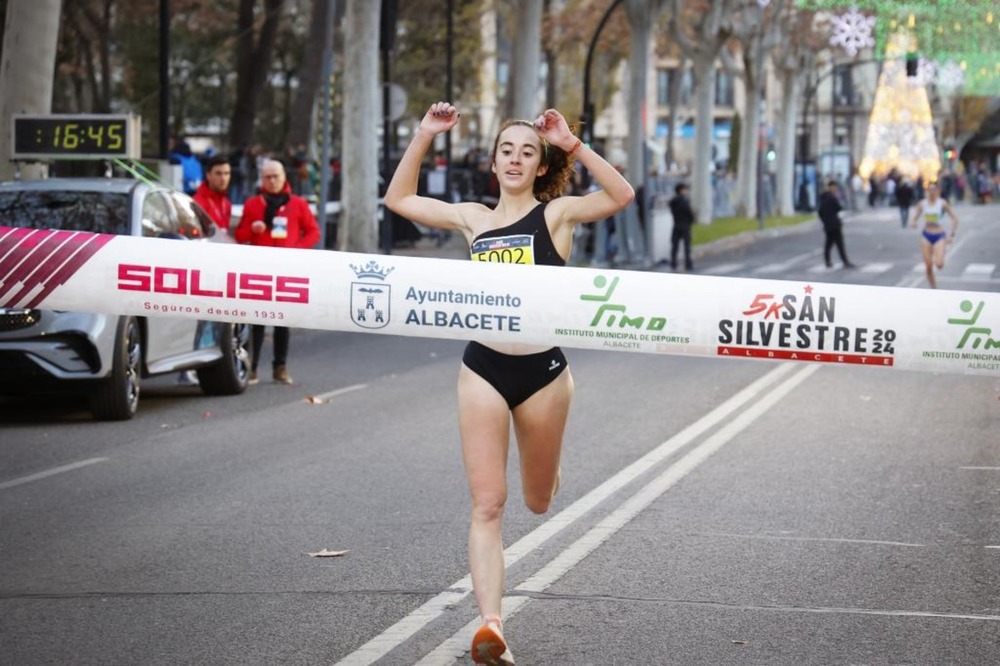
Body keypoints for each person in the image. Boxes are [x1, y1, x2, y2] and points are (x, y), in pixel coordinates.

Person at [384, 102, 633, 666]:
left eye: (528, 152)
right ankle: (491, 626)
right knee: (488, 504)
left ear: (540, 166)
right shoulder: (474, 219)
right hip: (483, 369)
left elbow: (621, 196)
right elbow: (399, 200)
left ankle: (545, 467)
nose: (516, 159)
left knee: (537, 500)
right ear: (494, 164)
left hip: (543, 375)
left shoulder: (558, 216)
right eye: (507, 151)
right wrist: (424, 134)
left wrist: (571, 143)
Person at [234, 159, 320, 384]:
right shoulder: (253, 204)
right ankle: (251, 367)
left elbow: (313, 232)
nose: (272, 181)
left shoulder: (298, 204)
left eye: (276, 177)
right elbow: (240, 235)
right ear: (262, 180)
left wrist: (296, 250)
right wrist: (252, 230)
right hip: (259, 271)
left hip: (286, 270)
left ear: (284, 178)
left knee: (282, 320)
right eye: (267, 177)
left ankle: (280, 367)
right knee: (257, 321)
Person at [909, 181, 959, 289]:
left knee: (939, 264)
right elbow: (914, 218)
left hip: (939, 235)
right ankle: (934, 289)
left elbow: (955, 219)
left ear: (938, 191)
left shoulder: (942, 203)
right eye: (929, 189)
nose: (931, 191)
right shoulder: (922, 204)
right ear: (927, 191)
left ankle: (941, 254)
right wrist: (913, 223)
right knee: (928, 266)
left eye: (934, 189)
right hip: (926, 235)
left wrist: (952, 235)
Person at [817, 180, 855, 269]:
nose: (836, 189)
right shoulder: (830, 197)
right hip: (834, 224)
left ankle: (829, 261)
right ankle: (844, 261)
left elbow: (820, 212)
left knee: (829, 244)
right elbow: (838, 208)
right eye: (834, 187)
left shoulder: (824, 197)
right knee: (838, 243)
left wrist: (824, 221)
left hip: (829, 224)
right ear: (831, 187)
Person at [193, 154, 234, 237]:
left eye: (226, 173)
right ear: (208, 175)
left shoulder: (227, 203)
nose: (223, 178)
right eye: (218, 174)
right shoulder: (198, 202)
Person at [668, 182, 695, 271]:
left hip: (676, 225)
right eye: (684, 189)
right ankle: (688, 264)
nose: (686, 191)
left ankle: (673, 263)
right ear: (680, 190)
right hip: (685, 225)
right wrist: (691, 220)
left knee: (675, 246)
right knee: (686, 247)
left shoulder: (673, 201)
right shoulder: (684, 201)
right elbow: (689, 212)